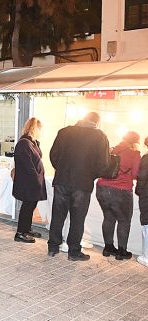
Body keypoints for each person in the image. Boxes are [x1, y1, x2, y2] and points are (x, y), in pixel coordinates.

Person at [48, 112, 110, 261]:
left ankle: (53, 247)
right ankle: (73, 251)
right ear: (96, 122)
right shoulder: (100, 136)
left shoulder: (64, 132)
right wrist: (91, 175)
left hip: (62, 180)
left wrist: (61, 169)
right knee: (77, 219)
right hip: (82, 183)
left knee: (57, 215)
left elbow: (53, 155)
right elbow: (104, 164)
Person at [96, 131, 141, 260]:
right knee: (124, 220)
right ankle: (122, 251)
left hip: (102, 188)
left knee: (108, 217)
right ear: (134, 142)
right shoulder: (134, 154)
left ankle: (108, 248)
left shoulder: (111, 150)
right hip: (121, 191)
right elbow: (135, 175)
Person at [12, 118, 46, 243]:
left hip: (33, 180)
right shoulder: (24, 143)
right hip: (28, 182)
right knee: (27, 206)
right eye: (39, 129)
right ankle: (20, 233)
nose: (40, 132)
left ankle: (26, 229)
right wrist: (36, 179)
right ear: (34, 128)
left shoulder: (32, 142)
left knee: (31, 205)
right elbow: (28, 164)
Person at [135, 136, 148, 268]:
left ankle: (146, 256)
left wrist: (139, 190)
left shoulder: (146, 158)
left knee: (146, 224)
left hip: (147, 194)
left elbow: (142, 176)